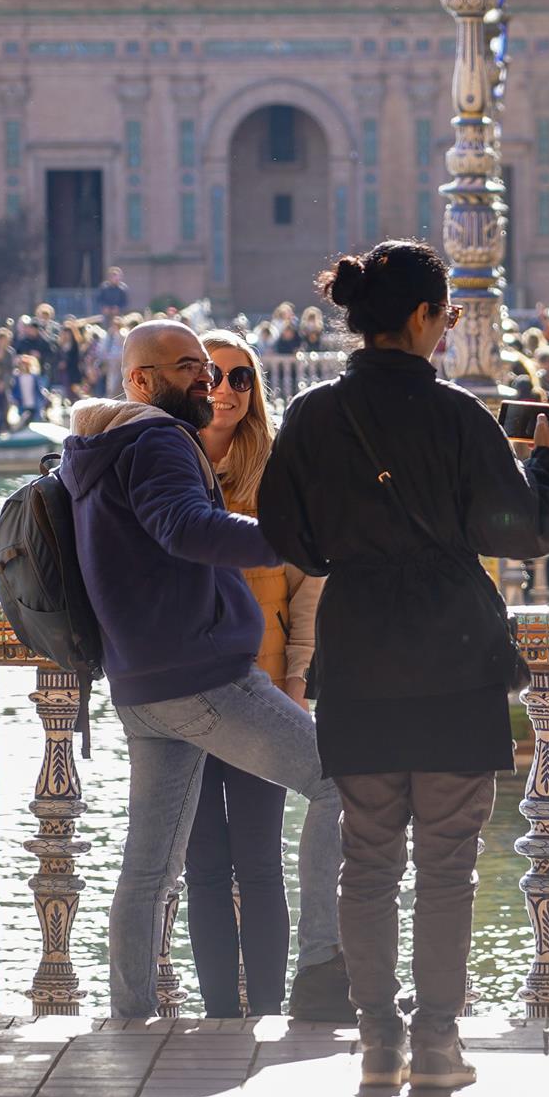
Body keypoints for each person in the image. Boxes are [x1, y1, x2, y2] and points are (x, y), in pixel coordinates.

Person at [258, 240, 549, 1090]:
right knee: (446, 865)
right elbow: (527, 531)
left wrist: (348, 549)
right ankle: (436, 1041)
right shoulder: (461, 417)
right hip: (456, 659)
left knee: (366, 861)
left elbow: (288, 534)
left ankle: (376, 1040)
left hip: (359, 653)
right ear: (425, 318)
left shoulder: (315, 414)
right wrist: (547, 457)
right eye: (448, 313)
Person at [59, 321, 349, 1021]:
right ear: (140, 381)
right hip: (203, 676)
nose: (207, 381)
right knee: (346, 779)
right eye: (188, 368)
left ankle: (130, 1016)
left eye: (208, 369)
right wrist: (295, 540)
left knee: (150, 866)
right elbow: (183, 527)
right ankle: (322, 972)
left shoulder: (94, 450)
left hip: (141, 683)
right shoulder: (158, 438)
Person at [181, 328, 332, 1019]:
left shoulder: (280, 475)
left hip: (262, 687)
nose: (226, 390)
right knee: (202, 866)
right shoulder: (164, 467)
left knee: (260, 862)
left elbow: (309, 587)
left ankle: (268, 1010)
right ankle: (219, 1014)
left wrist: (296, 680)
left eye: (241, 378)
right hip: (179, 690)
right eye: (212, 375)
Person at [11, 353, 45, 423]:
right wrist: (15, 399)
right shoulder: (17, 377)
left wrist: (42, 398)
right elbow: (14, 390)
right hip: (22, 403)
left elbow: (38, 389)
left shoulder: (33, 377)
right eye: (22, 364)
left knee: (33, 420)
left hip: (33, 403)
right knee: (24, 420)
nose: (23, 366)